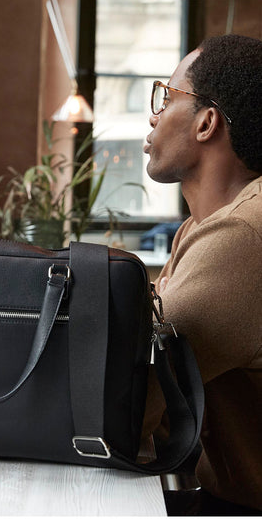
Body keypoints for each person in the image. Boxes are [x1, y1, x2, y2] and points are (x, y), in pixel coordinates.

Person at [142, 34, 262, 515]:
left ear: (207, 122)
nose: (154, 115)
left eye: (167, 97)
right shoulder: (200, 228)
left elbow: (133, 391)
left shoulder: (243, 236)